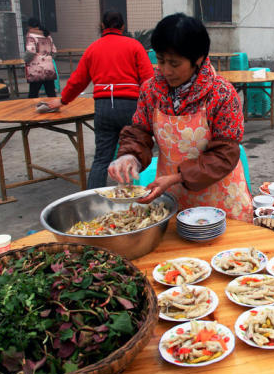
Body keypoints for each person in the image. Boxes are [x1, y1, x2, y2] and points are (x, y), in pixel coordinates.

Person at [107, 13, 253, 221]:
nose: (166, 70)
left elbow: (224, 155)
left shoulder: (221, 94)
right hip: (173, 197)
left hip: (221, 199)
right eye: (160, 60)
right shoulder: (150, 91)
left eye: (174, 64)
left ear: (198, 59)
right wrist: (129, 156)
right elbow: (139, 132)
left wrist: (177, 177)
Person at [46, 10, 154, 188]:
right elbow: (148, 79)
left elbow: (78, 80)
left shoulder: (93, 48)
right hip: (130, 105)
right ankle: (132, 199)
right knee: (131, 153)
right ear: (123, 26)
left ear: (102, 26)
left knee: (102, 158)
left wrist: (63, 100)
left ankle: (93, 201)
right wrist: (151, 107)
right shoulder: (134, 46)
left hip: (103, 107)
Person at [24, 17, 57, 98]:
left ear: (29, 26)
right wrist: (48, 59)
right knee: (51, 93)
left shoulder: (31, 35)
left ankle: (32, 110)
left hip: (36, 69)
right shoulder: (47, 35)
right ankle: (54, 108)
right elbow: (54, 51)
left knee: (33, 94)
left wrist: (25, 61)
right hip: (49, 68)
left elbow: (31, 52)